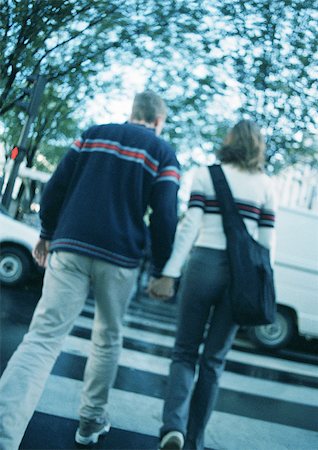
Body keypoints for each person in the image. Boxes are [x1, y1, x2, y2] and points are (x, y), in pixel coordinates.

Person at [0, 91, 180, 450]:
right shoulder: (162, 152)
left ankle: (4, 433)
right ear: (158, 121)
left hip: (70, 245)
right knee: (107, 337)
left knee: (42, 338)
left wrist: (47, 234)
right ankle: (90, 421)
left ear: (132, 113)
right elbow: (165, 214)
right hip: (120, 257)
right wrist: (162, 269)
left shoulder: (92, 134)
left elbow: (55, 188)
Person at [149, 120, 277, 450]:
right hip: (241, 276)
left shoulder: (205, 175)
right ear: (257, 147)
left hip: (203, 264)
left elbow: (189, 227)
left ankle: (172, 427)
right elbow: (266, 245)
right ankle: (195, 439)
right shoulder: (266, 185)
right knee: (214, 361)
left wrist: (170, 272)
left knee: (184, 352)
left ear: (229, 141)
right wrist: (262, 287)